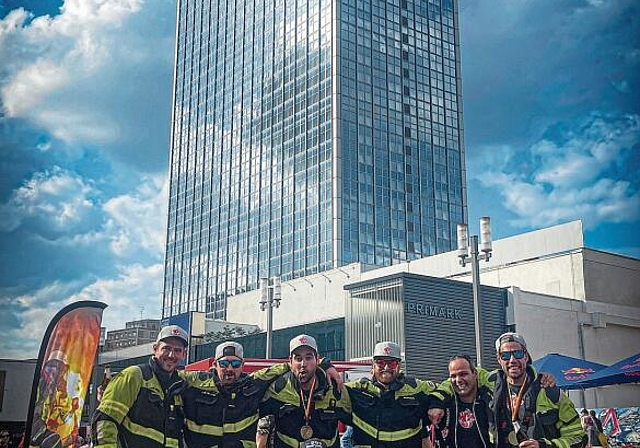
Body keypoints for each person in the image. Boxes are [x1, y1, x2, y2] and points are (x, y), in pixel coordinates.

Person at [92, 325, 189, 448]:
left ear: (184, 354)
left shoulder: (179, 387)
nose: (171, 355)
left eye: (177, 350)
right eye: (166, 348)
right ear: (155, 349)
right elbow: (105, 420)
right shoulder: (133, 376)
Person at [181, 341, 290, 448]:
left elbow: (286, 367)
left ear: (242, 365)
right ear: (215, 364)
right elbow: (171, 374)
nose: (230, 369)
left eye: (235, 364)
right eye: (224, 364)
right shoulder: (195, 383)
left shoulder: (254, 385)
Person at [491, 332, 585, 448]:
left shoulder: (549, 390)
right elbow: (467, 374)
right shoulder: (491, 391)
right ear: (498, 359)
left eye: (518, 353)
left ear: (526, 356)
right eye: (505, 355)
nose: (512, 360)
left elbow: (577, 437)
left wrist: (544, 446)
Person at [339, 341, 438, 448]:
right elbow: (325, 386)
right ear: (373, 366)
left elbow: (449, 386)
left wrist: (437, 404)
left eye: (392, 363)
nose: (386, 367)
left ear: (399, 366)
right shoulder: (357, 389)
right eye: (380, 363)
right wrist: (326, 365)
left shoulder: (417, 389)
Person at [260, 334, 348, 448]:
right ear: (290, 362)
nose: (303, 364)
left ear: (317, 359)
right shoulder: (276, 389)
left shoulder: (335, 389)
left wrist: (327, 364)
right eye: (298, 358)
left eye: (308, 357)